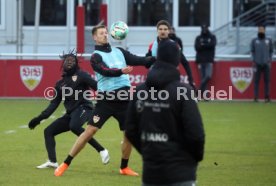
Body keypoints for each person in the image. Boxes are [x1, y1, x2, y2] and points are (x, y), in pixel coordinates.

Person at [54, 25, 155, 177]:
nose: (105, 35)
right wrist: (121, 71)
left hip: (124, 100)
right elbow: (104, 71)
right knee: (89, 132)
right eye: (101, 33)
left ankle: (124, 167)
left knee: (129, 134)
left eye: (106, 33)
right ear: (94, 37)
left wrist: (156, 58)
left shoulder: (119, 51)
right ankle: (65, 163)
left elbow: (139, 60)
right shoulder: (95, 56)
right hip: (105, 101)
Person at [125, 39, 205, 186]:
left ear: (158, 58)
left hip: (151, 174)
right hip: (181, 174)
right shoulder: (183, 91)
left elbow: (130, 129)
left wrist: (149, 153)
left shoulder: (140, 90)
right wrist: (193, 159)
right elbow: (196, 134)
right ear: (177, 61)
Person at [28, 51, 110, 169]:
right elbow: (53, 105)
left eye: (73, 61)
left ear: (77, 64)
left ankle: (101, 150)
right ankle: (52, 161)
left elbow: (97, 87)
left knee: (74, 126)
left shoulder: (82, 75)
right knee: (48, 131)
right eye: (67, 60)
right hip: (71, 113)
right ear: (63, 63)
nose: (70, 62)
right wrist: (39, 118)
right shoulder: (60, 84)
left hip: (84, 108)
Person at [146, 20, 195, 89]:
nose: (163, 31)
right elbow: (147, 65)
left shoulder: (175, 46)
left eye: (165, 29)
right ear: (157, 31)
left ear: (169, 31)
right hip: (156, 78)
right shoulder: (152, 46)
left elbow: (185, 62)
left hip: (171, 79)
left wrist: (191, 79)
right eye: (160, 29)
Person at [251, 25, 273, 102]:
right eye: (259, 29)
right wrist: (254, 60)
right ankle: (255, 97)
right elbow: (252, 51)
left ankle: (267, 96)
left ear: (264, 30)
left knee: (267, 81)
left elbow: (271, 51)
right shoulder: (254, 41)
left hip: (266, 64)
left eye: (262, 29)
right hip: (257, 64)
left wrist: (269, 59)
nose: (260, 31)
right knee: (256, 81)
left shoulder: (268, 40)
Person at [194, 24, 217, 97]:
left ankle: (198, 92)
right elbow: (197, 47)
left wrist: (203, 45)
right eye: (203, 28)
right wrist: (206, 45)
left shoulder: (212, 37)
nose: (204, 29)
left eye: (205, 28)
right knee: (203, 79)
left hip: (209, 60)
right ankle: (206, 96)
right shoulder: (198, 37)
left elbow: (212, 45)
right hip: (200, 61)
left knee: (208, 76)